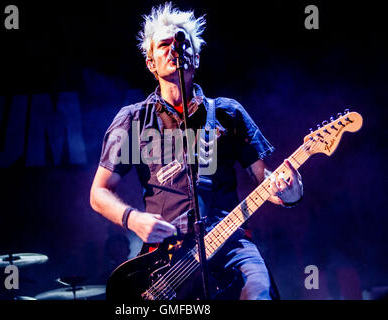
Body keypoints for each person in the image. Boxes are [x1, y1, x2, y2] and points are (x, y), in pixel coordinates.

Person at [90, 2, 303, 300]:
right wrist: (133, 219)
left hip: (230, 243)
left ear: (196, 57)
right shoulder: (133, 119)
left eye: (181, 42)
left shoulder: (228, 113)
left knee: (259, 295)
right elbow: (98, 193)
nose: (173, 49)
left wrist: (289, 193)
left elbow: (264, 181)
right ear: (151, 63)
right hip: (165, 261)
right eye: (164, 44)